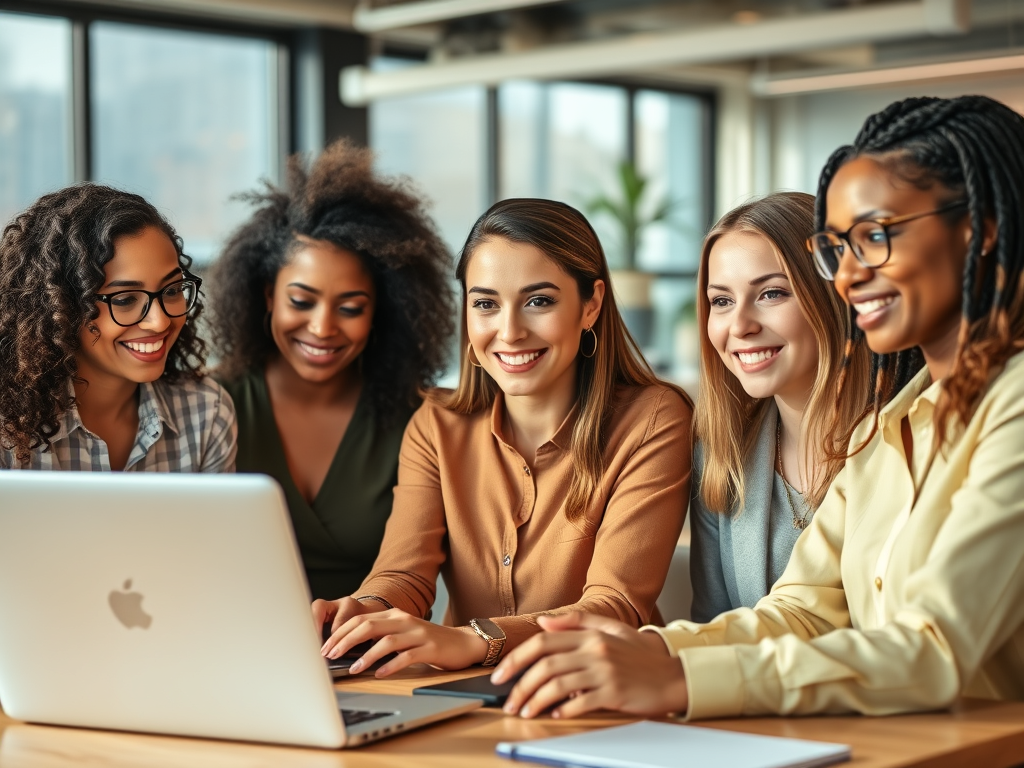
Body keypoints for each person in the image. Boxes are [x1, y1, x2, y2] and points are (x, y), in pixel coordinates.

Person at [492, 94, 1024, 720]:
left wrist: (680, 680)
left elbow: (935, 650)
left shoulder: (1011, 405)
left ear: (981, 227)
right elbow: (801, 610)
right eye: (839, 249)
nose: (850, 274)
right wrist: (648, 648)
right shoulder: (893, 426)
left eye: (875, 236)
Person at [314, 198, 693, 675]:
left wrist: (477, 640)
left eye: (539, 301)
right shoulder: (436, 424)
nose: (509, 332)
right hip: (458, 691)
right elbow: (403, 573)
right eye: (486, 304)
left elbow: (613, 606)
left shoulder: (654, 419)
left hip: (599, 691)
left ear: (591, 304)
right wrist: (366, 610)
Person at [208, 140, 455, 601]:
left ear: (382, 310)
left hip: (365, 657)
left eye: (351, 307)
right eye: (301, 301)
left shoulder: (417, 419)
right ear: (267, 296)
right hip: (228, 647)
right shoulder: (209, 403)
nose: (322, 328)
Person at [690, 192, 870, 621]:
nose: (740, 325)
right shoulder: (721, 456)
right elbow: (711, 629)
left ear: (832, 295)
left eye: (771, 293)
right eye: (722, 301)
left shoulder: (902, 441)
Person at [0, 184, 235, 472]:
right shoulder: (8, 429)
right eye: (124, 299)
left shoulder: (206, 413)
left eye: (172, 290)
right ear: (62, 306)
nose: (160, 321)